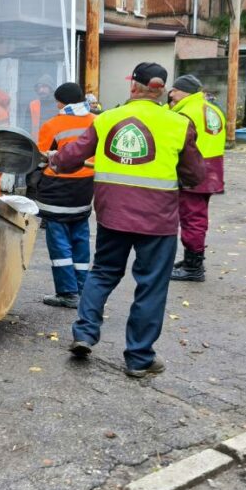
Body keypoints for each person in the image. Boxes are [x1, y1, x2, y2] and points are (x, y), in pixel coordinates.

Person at [48, 62, 205, 378]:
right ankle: (139, 359)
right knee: (151, 286)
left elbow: (70, 158)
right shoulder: (178, 124)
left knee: (103, 272)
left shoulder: (107, 119)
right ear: (161, 90)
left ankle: (85, 333)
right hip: (158, 221)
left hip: (113, 216)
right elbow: (195, 175)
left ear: (134, 87)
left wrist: (54, 159)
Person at [35, 82, 96, 309]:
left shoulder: (53, 124)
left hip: (57, 187)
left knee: (59, 239)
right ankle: (82, 288)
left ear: (61, 102)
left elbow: (40, 158)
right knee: (80, 235)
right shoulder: (96, 121)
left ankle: (67, 292)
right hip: (85, 187)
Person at [167, 74, 227, 282]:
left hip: (193, 171)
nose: (171, 93)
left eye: (175, 89)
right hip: (212, 170)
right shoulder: (213, 109)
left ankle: (194, 266)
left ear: (186, 91)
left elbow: (178, 142)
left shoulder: (186, 113)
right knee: (197, 216)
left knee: (192, 218)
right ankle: (192, 260)